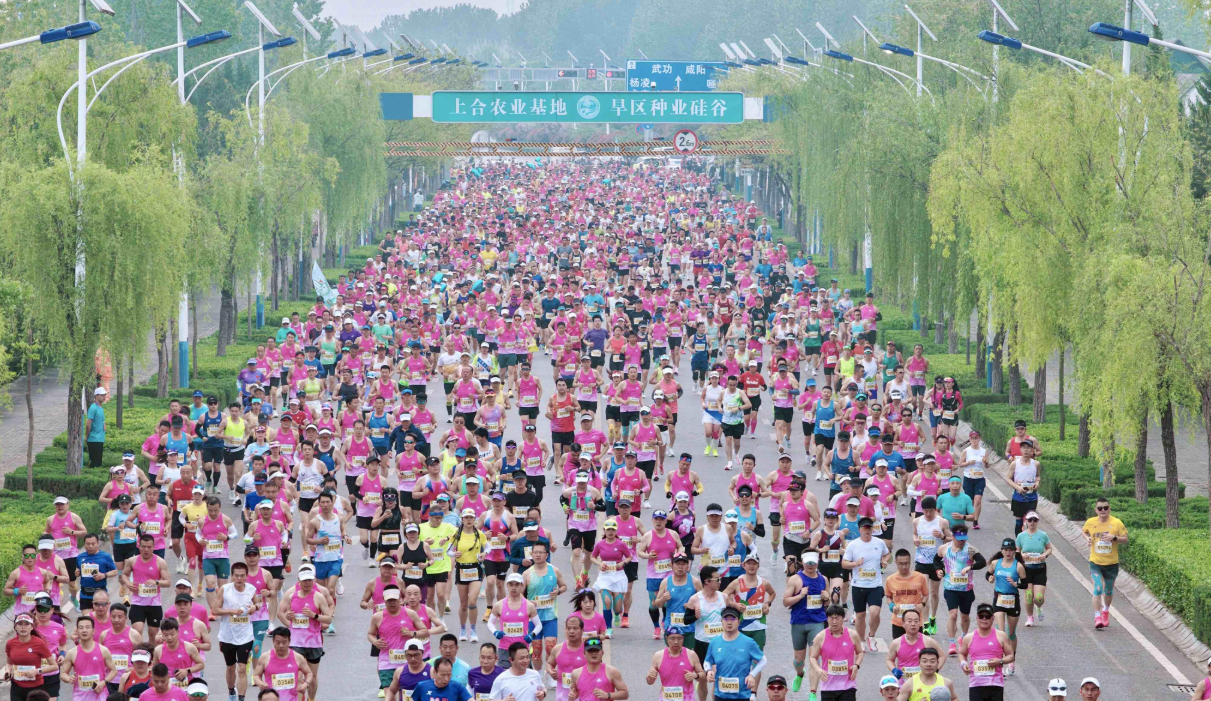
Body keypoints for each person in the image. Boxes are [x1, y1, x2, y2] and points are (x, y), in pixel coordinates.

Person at [933, 524, 985, 656]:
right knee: (953, 614)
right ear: (953, 536)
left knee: (965, 616)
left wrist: (970, 567)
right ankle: (952, 643)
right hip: (950, 588)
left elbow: (982, 562)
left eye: (964, 539)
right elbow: (936, 560)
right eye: (959, 539)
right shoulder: (944, 548)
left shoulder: (970, 549)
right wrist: (939, 570)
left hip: (966, 589)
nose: (962, 541)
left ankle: (963, 636)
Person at [841, 517, 890, 652]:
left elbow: (887, 554)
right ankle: (861, 640)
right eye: (864, 528)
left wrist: (885, 561)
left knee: (875, 612)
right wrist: (855, 563)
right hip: (858, 585)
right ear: (859, 530)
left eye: (869, 528)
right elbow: (844, 564)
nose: (867, 530)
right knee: (860, 616)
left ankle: (871, 636)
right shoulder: (853, 545)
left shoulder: (879, 543)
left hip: (875, 585)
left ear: (873, 529)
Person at [215, 562, 260, 701]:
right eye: (236, 576)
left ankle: (241, 698)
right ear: (232, 576)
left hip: (245, 636)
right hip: (227, 636)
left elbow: (258, 603)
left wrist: (255, 607)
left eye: (242, 576)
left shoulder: (251, 589)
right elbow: (215, 610)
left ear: (246, 576)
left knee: (241, 668)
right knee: (230, 667)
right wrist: (231, 611)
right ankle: (231, 691)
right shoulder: (225, 589)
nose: (239, 579)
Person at [784, 552, 828, 694]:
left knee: (814, 658)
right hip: (799, 622)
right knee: (798, 660)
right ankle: (799, 674)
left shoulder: (823, 579)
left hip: (817, 622)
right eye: (808, 562)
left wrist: (827, 598)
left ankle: (813, 692)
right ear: (802, 562)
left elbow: (828, 604)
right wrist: (800, 595)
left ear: (817, 562)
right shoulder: (795, 579)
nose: (810, 565)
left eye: (813, 562)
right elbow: (785, 601)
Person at [1081, 497, 1128, 629]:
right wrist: (1087, 538)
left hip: (1111, 564)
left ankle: (1105, 611)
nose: (1103, 510)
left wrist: (1114, 538)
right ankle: (1097, 617)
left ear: (1109, 509)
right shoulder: (1091, 522)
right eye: (1100, 508)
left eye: (1105, 508)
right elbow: (1083, 531)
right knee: (1097, 588)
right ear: (1096, 510)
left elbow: (1125, 539)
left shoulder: (1116, 523)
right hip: (1095, 562)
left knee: (1108, 590)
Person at [704, 606, 766, 701]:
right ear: (721, 621)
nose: (729, 622)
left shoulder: (748, 642)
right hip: (720, 695)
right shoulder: (714, 642)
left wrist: (752, 674)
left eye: (733, 619)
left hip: (742, 695)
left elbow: (763, 660)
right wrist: (708, 671)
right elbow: (707, 661)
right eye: (726, 619)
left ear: (738, 622)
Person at [984, 539, 1026, 676]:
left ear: (1014, 551)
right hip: (999, 599)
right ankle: (1000, 664)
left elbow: (1025, 584)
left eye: (1011, 550)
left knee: (1011, 634)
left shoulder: (1018, 566)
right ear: (1002, 550)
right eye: (1006, 550)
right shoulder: (995, 563)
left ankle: (1011, 660)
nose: (1008, 552)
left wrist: (1016, 584)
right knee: (1000, 633)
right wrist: (990, 578)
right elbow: (988, 574)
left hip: (1013, 600)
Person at [957, 603, 1013, 701]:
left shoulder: (1001, 636)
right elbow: (962, 653)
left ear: (993, 618)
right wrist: (963, 664)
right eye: (981, 616)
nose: (984, 619)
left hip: (996, 684)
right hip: (976, 685)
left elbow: (1011, 656)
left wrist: (1000, 661)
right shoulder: (969, 638)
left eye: (987, 616)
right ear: (977, 618)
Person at [809, 605, 861, 701]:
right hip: (828, 686)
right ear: (827, 619)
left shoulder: (852, 635)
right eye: (831, 618)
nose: (834, 622)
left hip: (848, 686)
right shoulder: (820, 637)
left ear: (843, 618)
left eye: (837, 618)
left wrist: (856, 665)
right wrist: (818, 670)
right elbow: (813, 657)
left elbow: (860, 652)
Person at [59, 615, 117, 701]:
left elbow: (114, 671)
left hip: (100, 697)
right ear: (77, 631)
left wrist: (103, 683)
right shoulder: (72, 653)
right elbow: (63, 674)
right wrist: (68, 678)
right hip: (79, 698)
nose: (84, 630)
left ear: (93, 631)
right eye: (81, 628)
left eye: (87, 627)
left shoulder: (103, 650)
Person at [3, 613, 57, 701]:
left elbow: (54, 666)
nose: (23, 627)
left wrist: (37, 671)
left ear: (32, 627)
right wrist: (8, 671)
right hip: (16, 687)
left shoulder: (39, 643)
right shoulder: (10, 643)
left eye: (27, 624)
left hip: (36, 689)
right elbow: (9, 663)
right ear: (15, 627)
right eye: (20, 624)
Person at [251, 628, 312, 701]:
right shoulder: (265, 658)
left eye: (284, 642)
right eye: (277, 642)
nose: (281, 645)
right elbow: (256, 675)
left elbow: (309, 673)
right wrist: (260, 683)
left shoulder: (298, 657)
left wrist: (306, 684)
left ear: (289, 641)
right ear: (273, 641)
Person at [644, 626, 703, 701]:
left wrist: (696, 675)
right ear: (667, 639)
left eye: (679, 638)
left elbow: (703, 676)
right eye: (672, 638)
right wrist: (649, 677)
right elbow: (650, 682)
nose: (676, 642)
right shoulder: (658, 656)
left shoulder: (691, 655)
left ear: (683, 639)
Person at [1016, 511, 1053, 627]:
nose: (1032, 522)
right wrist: (1022, 555)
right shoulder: (1021, 536)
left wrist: (1044, 554)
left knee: (1038, 598)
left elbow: (1049, 549)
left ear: (1038, 521)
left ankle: (1039, 607)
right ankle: (1030, 617)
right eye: (1030, 520)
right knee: (1028, 596)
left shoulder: (1043, 535)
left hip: (1039, 568)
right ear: (1026, 521)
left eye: (1035, 520)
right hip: (1026, 569)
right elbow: (1017, 551)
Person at [566, 637, 627, 701]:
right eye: (590, 651)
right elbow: (575, 691)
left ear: (602, 653)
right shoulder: (576, 673)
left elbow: (625, 693)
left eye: (597, 650)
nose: (594, 653)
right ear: (584, 654)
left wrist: (607, 695)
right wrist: (572, 696)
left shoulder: (612, 671)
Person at [87, 387, 108, 469]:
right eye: (102, 395)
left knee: (98, 463)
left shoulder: (100, 408)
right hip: (94, 440)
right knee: (94, 464)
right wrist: (87, 437)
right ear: (96, 396)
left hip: (100, 439)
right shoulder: (93, 408)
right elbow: (88, 424)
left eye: (105, 395)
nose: (104, 396)